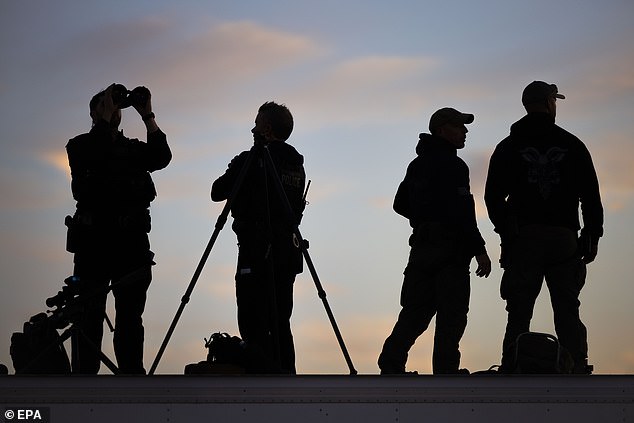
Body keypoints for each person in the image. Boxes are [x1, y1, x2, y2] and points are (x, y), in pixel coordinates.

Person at [484, 81, 603, 374]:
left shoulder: (508, 146)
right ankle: (576, 365)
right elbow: (590, 195)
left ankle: (512, 365)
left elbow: (492, 197)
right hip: (563, 239)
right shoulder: (572, 144)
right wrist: (592, 235)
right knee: (567, 309)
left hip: (524, 239)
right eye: (554, 99)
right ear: (549, 103)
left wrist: (507, 231)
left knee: (519, 311)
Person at [65, 83, 172, 374]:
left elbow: (162, 157)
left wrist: (146, 114)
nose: (113, 110)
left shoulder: (133, 150)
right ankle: (84, 383)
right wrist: (105, 114)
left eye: (114, 107)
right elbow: (97, 151)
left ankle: (131, 381)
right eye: (103, 105)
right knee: (89, 317)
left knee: (129, 320)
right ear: (93, 112)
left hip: (131, 246)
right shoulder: (79, 146)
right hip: (93, 246)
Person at [378, 108, 491, 375]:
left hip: (421, 250)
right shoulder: (455, 166)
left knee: (414, 313)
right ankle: (446, 373)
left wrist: (424, 217)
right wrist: (480, 250)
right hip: (450, 252)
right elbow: (464, 213)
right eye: (459, 126)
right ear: (442, 130)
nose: (465, 132)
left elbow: (399, 204)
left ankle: (391, 364)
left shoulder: (417, 164)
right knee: (451, 317)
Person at [211, 101, 306, 374]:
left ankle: (259, 381)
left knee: (253, 321)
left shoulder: (251, 159)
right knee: (280, 323)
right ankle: (287, 380)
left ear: (266, 128)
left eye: (256, 122)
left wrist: (247, 164)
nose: (252, 128)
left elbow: (218, 191)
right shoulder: (296, 165)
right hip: (286, 253)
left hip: (255, 250)